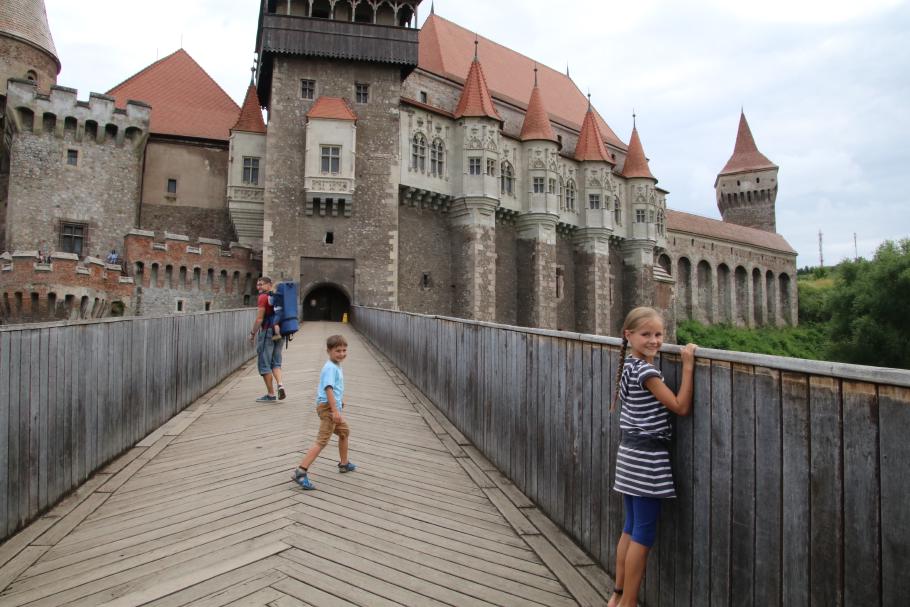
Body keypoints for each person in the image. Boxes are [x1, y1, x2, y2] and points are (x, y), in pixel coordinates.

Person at [607, 307, 697, 607]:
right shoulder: (646, 371)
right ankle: (629, 603)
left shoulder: (629, 365)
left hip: (629, 455)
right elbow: (680, 406)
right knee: (642, 535)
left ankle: (617, 596)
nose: (654, 340)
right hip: (647, 461)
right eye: (646, 334)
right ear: (628, 335)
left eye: (658, 334)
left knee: (630, 528)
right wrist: (687, 366)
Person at [291, 334, 355, 490]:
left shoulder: (336, 365)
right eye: (337, 351)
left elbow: (335, 389)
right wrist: (335, 410)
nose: (341, 354)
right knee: (322, 441)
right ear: (328, 351)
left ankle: (344, 463)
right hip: (328, 408)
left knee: (344, 432)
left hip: (332, 406)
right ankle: (301, 471)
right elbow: (328, 389)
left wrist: (339, 402)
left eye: (344, 350)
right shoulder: (330, 368)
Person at [249, 276, 286, 402]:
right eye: (257, 284)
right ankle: (280, 385)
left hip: (267, 332)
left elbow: (259, 319)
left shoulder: (263, 297)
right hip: (281, 331)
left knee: (264, 363)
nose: (258, 287)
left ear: (269, 284)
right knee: (276, 362)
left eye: (261, 284)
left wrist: (253, 333)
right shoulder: (278, 296)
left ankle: (270, 394)